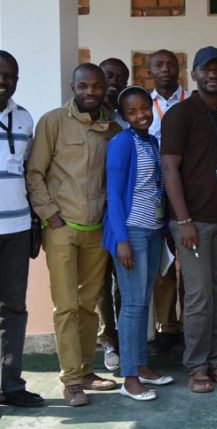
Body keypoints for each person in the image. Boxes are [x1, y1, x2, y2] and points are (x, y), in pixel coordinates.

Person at [26, 63, 120, 406]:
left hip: (97, 230)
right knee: (66, 307)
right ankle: (70, 381)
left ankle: (85, 370)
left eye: (96, 86)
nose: (90, 92)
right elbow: (34, 172)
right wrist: (51, 217)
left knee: (88, 306)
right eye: (83, 86)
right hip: (62, 229)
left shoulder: (111, 127)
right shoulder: (53, 121)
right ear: (73, 86)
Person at [161, 46, 217, 393]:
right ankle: (196, 366)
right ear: (193, 75)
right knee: (198, 296)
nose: (213, 75)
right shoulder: (180, 114)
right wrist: (183, 220)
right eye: (205, 69)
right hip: (191, 223)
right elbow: (169, 168)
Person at [103, 86, 175, 401]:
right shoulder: (120, 143)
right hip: (130, 231)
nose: (140, 115)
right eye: (132, 112)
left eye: (144, 108)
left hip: (153, 230)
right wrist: (121, 240)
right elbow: (114, 195)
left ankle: (142, 365)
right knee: (132, 305)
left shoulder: (152, 141)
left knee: (143, 301)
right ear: (123, 115)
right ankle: (129, 378)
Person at [0, 50, 45, 408]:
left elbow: (29, 173)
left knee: (14, 309)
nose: (4, 80)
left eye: (10, 75)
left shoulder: (24, 118)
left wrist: (35, 224)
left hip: (16, 230)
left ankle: (11, 386)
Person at [148, 49, 190, 354]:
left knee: (190, 263)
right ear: (149, 71)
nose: (166, 69)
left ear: (180, 69)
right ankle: (168, 325)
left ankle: (192, 322)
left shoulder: (192, 102)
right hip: (154, 194)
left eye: (171, 64)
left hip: (190, 194)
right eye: (159, 65)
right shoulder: (140, 106)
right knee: (163, 263)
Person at [97, 57, 130, 372]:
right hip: (92, 213)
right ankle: (108, 340)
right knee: (100, 284)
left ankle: (124, 338)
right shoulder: (85, 116)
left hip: (121, 212)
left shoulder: (125, 120)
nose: (114, 82)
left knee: (123, 280)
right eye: (109, 75)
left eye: (121, 78)